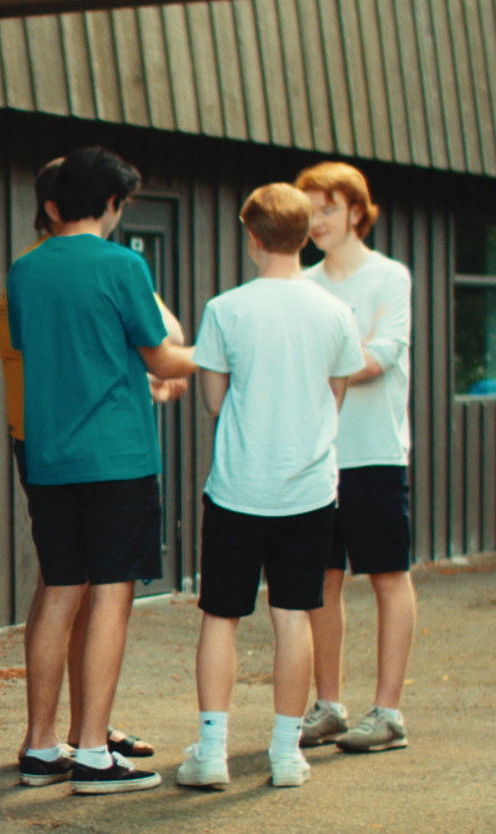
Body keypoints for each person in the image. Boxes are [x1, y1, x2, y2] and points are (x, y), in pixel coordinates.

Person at [2, 146, 194, 796]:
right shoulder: (123, 264)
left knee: (59, 587)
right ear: (113, 202)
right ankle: (91, 750)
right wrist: (215, 351)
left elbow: (43, 347)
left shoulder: (26, 269)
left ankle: (40, 745)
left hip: (50, 456)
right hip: (116, 456)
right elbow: (162, 357)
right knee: (112, 593)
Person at [176, 183, 364, 791]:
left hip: (238, 486)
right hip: (307, 491)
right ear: (305, 236)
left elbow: (213, 401)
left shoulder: (225, 309)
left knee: (221, 617)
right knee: (293, 616)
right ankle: (285, 753)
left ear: (253, 236)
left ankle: (212, 752)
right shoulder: (335, 312)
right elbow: (336, 394)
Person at [295, 162, 416, 754]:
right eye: (309, 210)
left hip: (374, 455)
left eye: (328, 208)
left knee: (388, 577)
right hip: (318, 457)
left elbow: (380, 356)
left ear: (356, 212)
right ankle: (329, 706)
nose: (317, 221)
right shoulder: (302, 283)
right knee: (322, 581)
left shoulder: (389, 277)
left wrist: (321, 363)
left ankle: (388, 713)